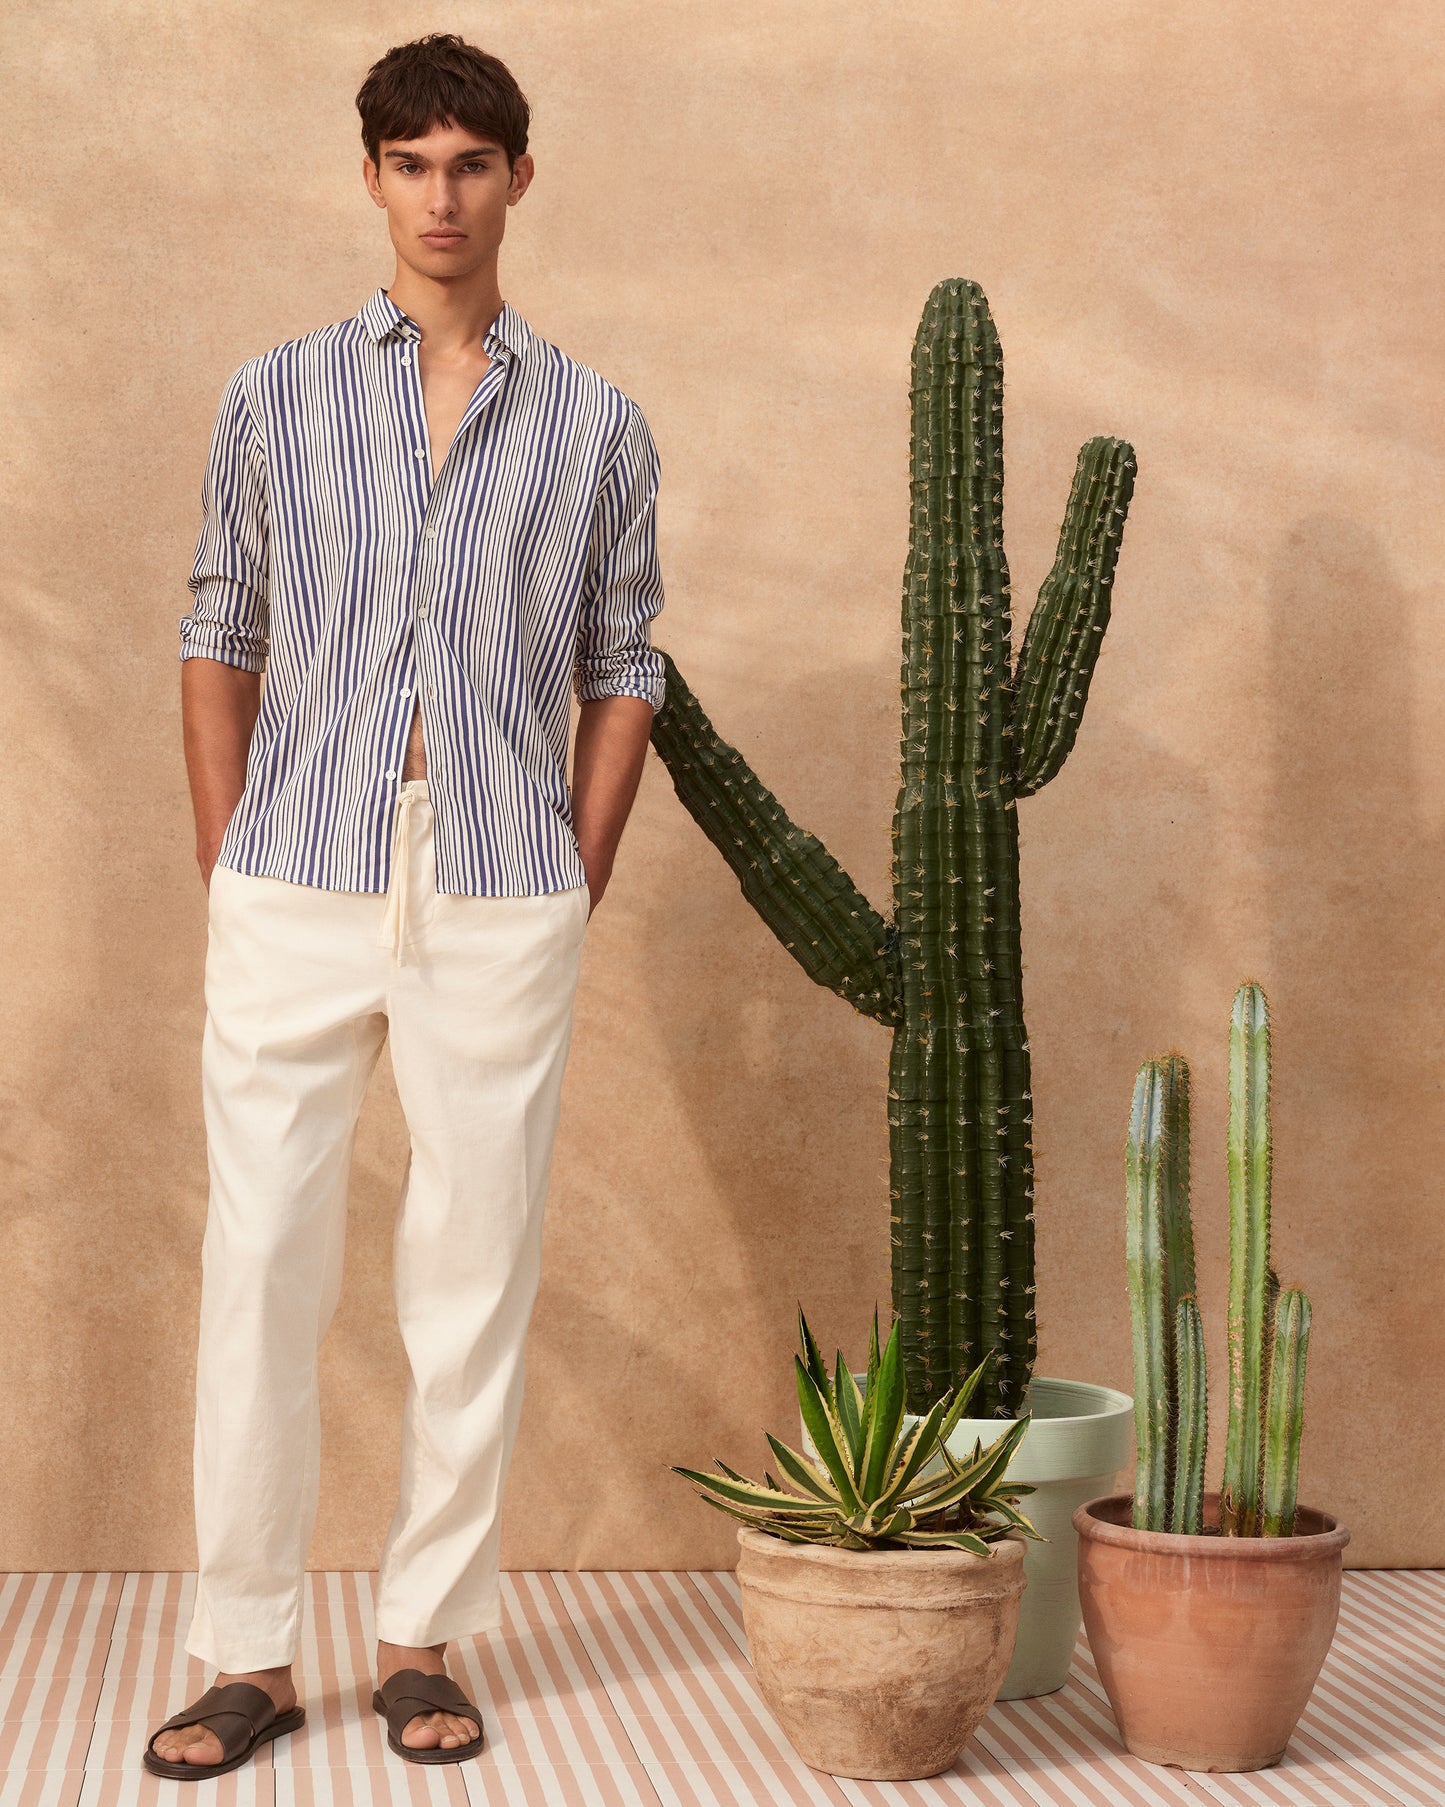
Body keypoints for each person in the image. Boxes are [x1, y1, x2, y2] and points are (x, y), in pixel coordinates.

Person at [143, 32, 665, 1779]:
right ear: (370, 178)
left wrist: (574, 867)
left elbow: (624, 659)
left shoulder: (594, 421)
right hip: (293, 869)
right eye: (411, 163)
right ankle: (243, 1652)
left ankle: (420, 1640)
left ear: (519, 176)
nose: (442, 196)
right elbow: (220, 625)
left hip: (498, 882)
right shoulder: (275, 395)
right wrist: (231, 851)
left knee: (472, 1271)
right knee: (261, 1264)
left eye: (471, 163)